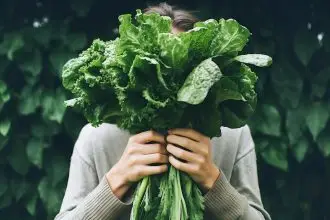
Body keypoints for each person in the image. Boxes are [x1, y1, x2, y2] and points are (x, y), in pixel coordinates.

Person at [55, 3, 271, 220]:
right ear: (129, 69)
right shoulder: (97, 138)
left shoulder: (233, 136)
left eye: (181, 66)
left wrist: (213, 181)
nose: (168, 79)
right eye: (154, 66)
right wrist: (116, 180)